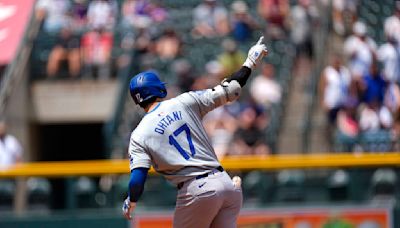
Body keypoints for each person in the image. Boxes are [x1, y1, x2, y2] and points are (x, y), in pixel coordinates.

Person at [122, 36, 268, 227]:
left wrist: (131, 200)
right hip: (225, 183)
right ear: (159, 89)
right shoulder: (185, 101)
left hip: (196, 191)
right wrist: (250, 63)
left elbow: (137, 181)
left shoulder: (139, 135)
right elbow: (231, 89)